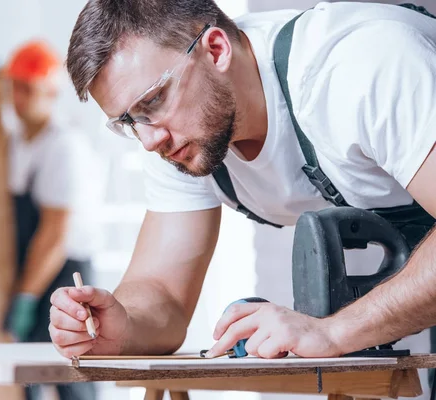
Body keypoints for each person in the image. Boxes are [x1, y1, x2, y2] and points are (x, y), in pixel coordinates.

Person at [46, 0, 436, 363]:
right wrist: (122, 328)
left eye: (152, 102)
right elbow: (162, 291)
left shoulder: (359, 67)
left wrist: (335, 332)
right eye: (129, 122)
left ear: (215, 49)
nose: (148, 141)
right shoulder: (178, 136)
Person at [0, 40, 100, 400]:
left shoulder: (64, 146)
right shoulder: (20, 142)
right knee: (31, 380)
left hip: (65, 275)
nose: (19, 97)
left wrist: (26, 296)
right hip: (37, 273)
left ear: (50, 91)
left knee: (73, 378)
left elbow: (55, 236)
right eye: (14, 86)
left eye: (28, 88)